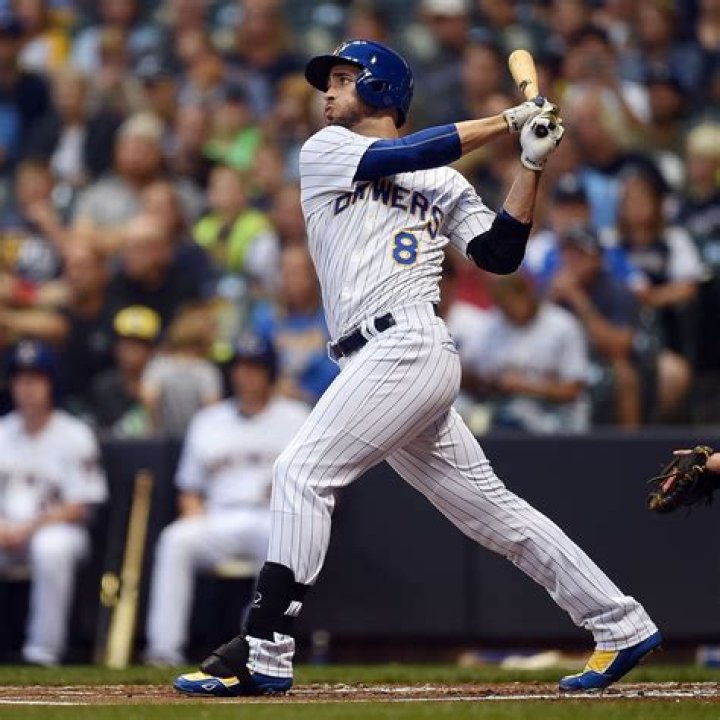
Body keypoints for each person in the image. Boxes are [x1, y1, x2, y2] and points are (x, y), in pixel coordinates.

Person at [175, 39, 659, 698]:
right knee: (494, 515)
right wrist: (507, 121)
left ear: (380, 87)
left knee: (300, 472)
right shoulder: (326, 151)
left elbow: (497, 254)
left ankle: (264, 645)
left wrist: (530, 165)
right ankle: (620, 623)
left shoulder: (446, 182)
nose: (328, 92)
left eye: (342, 79)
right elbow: (404, 155)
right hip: (375, 359)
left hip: (407, 344)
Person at [144, 335, 310, 666]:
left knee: (282, 542)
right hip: (218, 517)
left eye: (254, 368)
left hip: (272, 518)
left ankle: (256, 648)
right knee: (175, 539)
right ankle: (163, 651)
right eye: (239, 367)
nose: (244, 375)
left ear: (270, 373)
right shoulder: (209, 419)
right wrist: (194, 514)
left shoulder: (297, 417)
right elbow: (189, 489)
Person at [0, 339, 107, 665]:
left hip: (57, 529)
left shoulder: (75, 433)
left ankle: (42, 651)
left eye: (36, 379)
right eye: (20, 379)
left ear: (52, 384)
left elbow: (81, 505)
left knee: (51, 547)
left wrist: (28, 528)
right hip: (6, 530)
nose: (27, 388)